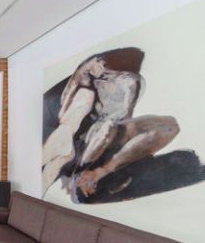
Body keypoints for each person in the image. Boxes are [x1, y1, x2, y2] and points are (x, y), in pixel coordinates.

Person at [42, 47, 179, 200]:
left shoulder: (106, 132)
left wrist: (102, 170)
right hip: (79, 125)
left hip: (88, 129)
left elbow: (169, 127)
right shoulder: (83, 118)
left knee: (99, 128)